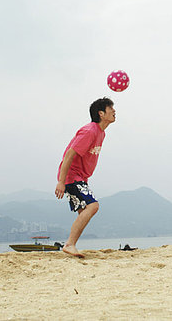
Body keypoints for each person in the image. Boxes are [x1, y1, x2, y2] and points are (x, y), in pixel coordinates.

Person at [55, 97, 116, 257]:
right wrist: (61, 182)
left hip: (80, 177)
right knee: (93, 206)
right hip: (72, 176)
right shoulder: (90, 131)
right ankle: (69, 244)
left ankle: (70, 245)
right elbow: (69, 154)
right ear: (101, 113)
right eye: (111, 108)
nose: (114, 111)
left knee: (84, 210)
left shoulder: (101, 133)